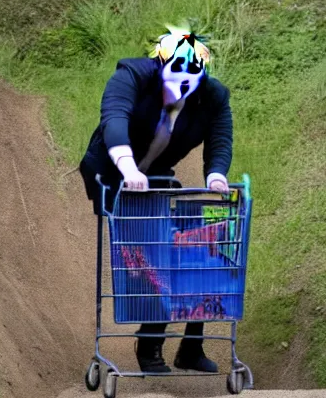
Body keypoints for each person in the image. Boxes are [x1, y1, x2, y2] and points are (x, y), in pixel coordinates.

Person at [78, 26, 233, 375]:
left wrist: (217, 175)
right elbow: (114, 120)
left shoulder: (213, 96)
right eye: (173, 74)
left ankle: (191, 349)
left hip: (158, 173)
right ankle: (150, 344)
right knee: (151, 252)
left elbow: (220, 139)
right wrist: (128, 167)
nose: (180, 85)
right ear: (159, 66)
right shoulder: (132, 75)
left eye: (191, 77)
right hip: (113, 168)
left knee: (195, 251)